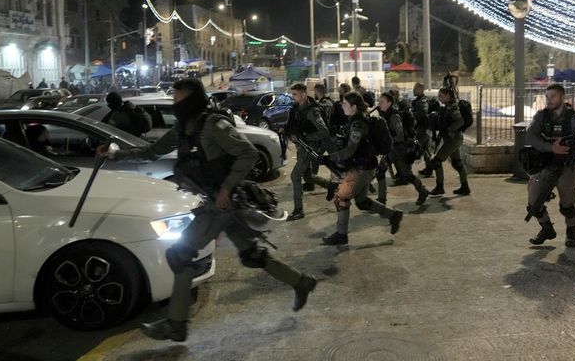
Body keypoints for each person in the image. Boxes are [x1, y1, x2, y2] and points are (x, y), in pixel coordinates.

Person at [96, 78, 316, 342]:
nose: (175, 101)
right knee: (252, 254)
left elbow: (248, 153)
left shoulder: (212, 125)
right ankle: (301, 282)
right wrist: (115, 155)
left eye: (178, 97)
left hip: (220, 204)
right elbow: (154, 151)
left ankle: (176, 324)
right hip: (218, 202)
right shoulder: (184, 127)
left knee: (180, 255)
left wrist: (226, 189)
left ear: (190, 99)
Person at [321, 91, 403, 245]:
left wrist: (329, 157)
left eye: (345, 103)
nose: (342, 106)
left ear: (353, 107)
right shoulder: (355, 120)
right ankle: (393, 215)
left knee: (342, 197)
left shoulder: (358, 124)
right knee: (362, 202)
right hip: (364, 166)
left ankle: (341, 234)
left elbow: (350, 150)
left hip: (362, 168)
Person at [525, 84, 575, 248]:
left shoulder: (573, 119)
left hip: (566, 167)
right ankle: (547, 229)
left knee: (567, 204)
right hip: (545, 164)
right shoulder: (541, 116)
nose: (549, 100)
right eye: (547, 96)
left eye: (553, 96)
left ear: (562, 98)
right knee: (533, 201)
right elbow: (529, 136)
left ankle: (571, 233)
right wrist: (551, 147)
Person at [283, 83, 330, 222]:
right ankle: (331, 185)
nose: (293, 97)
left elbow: (324, 131)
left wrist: (305, 137)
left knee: (295, 175)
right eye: (292, 94)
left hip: (309, 148)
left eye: (295, 94)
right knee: (307, 175)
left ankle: (299, 210)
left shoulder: (312, 111)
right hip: (301, 147)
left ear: (303, 94)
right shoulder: (298, 108)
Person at [376, 92, 429, 206]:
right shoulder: (385, 114)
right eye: (379, 102)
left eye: (382, 102)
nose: (379, 104)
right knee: (380, 171)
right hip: (392, 149)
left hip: (398, 149)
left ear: (389, 103)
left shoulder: (394, 116)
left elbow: (399, 135)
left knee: (406, 175)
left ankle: (422, 191)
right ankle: (381, 198)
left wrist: (386, 141)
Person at [429, 88, 470, 196]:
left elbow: (461, 121)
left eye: (441, 95)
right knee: (457, 163)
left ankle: (439, 187)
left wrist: (449, 129)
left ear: (448, 96)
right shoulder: (448, 107)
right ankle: (465, 187)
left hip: (453, 139)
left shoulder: (453, 107)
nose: (439, 98)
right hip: (451, 139)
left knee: (436, 161)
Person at [411, 83, 433, 176]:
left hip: (423, 128)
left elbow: (423, 112)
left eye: (415, 89)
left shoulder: (423, 101)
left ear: (420, 90)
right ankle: (429, 169)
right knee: (425, 149)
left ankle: (405, 171)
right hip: (422, 128)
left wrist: (413, 114)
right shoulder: (417, 100)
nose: (413, 90)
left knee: (414, 148)